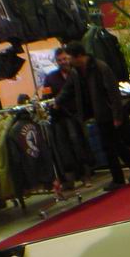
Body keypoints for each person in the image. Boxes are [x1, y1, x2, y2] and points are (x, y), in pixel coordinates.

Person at [56, 41, 130, 191]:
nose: (68, 61)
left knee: (110, 147)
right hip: (96, 113)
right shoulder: (76, 72)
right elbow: (68, 89)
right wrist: (57, 101)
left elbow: (113, 92)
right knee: (115, 145)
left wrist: (117, 115)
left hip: (108, 112)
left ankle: (119, 179)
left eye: (69, 57)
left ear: (79, 56)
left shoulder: (100, 67)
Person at [43, 46, 93, 189]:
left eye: (65, 59)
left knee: (79, 143)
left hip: (76, 115)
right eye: (59, 60)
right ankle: (69, 179)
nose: (63, 62)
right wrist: (52, 104)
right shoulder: (50, 78)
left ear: (69, 58)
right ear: (56, 61)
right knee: (64, 148)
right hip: (59, 118)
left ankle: (86, 175)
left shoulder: (76, 74)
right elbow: (46, 96)